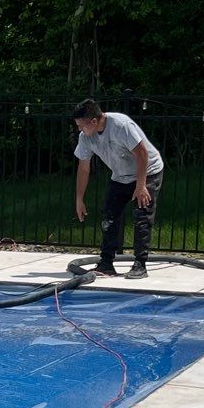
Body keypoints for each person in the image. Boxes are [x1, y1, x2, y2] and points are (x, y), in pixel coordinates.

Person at [72, 98, 164, 279]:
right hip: (121, 176)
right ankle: (106, 263)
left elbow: (142, 153)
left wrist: (141, 185)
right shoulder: (86, 138)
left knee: (142, 214)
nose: (80, 130)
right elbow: (84, 167)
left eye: (82, 126)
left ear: (94, 121)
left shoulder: (121, 125)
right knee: (109, 216)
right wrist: (79, 199)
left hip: (148, 170)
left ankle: (140, 264)